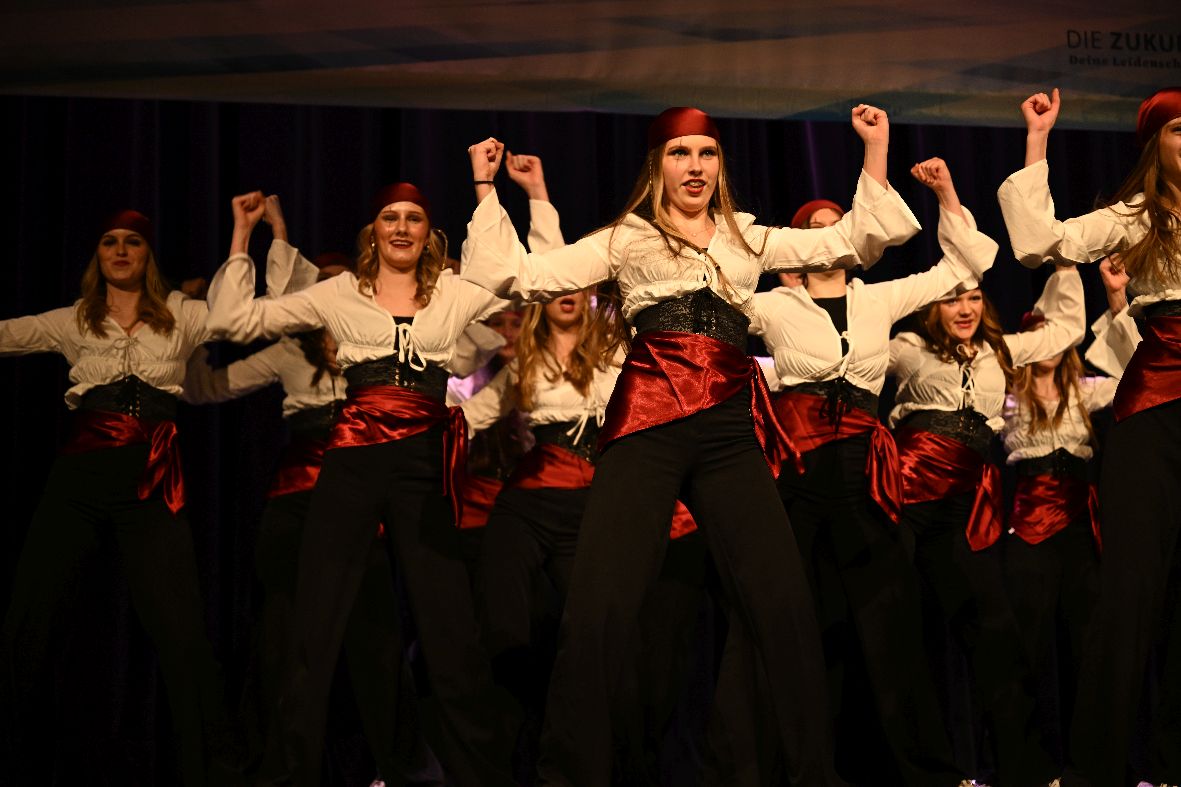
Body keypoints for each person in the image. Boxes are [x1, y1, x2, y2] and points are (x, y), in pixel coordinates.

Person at [462, 103, 921, 785]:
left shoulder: (748, 239)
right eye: (680, 154)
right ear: (658, 167)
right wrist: (484, 187)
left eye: (707, 154)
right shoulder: (625, 239)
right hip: (648, 422)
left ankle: (812, 773)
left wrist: (874, 149)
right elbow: (518, 276)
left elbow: (850, 240)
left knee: (782, 603)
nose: (695, 167)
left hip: (728, 430)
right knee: (600, 606)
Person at [205, 185, 518, 787]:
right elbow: (231, 321)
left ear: (429, 234)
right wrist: (244, 235)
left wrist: (490, 190)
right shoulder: (340, 292)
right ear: (373, 231)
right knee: (315, 628)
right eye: (389, 217)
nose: (400, 227)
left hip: (422, 466)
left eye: (413, 218)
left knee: (450, 632)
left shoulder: (453, 293)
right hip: (353, 464)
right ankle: (288, 773)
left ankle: (477, 774)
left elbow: (522, 282)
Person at [732, 157, 994, 786]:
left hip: (864, 470)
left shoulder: (879, 297)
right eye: (814, 227)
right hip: (797, 469)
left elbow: (963, 268)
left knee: (889, 623)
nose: (828, 234)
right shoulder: (771, 306)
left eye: (838, 223)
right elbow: (709, 298)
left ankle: (919, 771)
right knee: (793, 620)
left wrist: (946, 194)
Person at [0, 210, 234, 787]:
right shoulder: (74, 319)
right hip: (82, 475)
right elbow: (7, 335)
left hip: (149, 476)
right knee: (31, 615)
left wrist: (244, 233)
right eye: (110, 242)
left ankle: (204, 769)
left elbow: (237, 315)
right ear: (98, 255)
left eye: (132, 242)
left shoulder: (180, 313)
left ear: (148, 255)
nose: (121, 250)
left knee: (181, 628)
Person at [997, 86, 1181, 787]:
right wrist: (1037, 139)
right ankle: (1093, 769)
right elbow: (1037, 242)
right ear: (1155, 146)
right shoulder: (1133, 217)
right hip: (1156, 399)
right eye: (1179, 131)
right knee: (1130, 588)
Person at [886, 230, 1084, 785]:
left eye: (973, 297)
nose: (965, 308)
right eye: (952, 298)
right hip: (906, 498)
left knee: (997, 634)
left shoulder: (1002, 351)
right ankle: (921, 771)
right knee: (898, 634)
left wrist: (1065, 262)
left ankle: (1027, 770)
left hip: (963, 505)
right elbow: (845, 357)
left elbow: (1067, 329)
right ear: (933, 306)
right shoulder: (909, 348)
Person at [1000, 269, 1122, 764]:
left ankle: (1089, 759)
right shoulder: (1008, 397)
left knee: (1086, 639)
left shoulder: (1083, 391)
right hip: (1029, 526)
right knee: (1029, 641)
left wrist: (1116, 302)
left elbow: (1131, 378)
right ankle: (1031, 758)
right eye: (1039, 332)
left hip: (1076, 524)